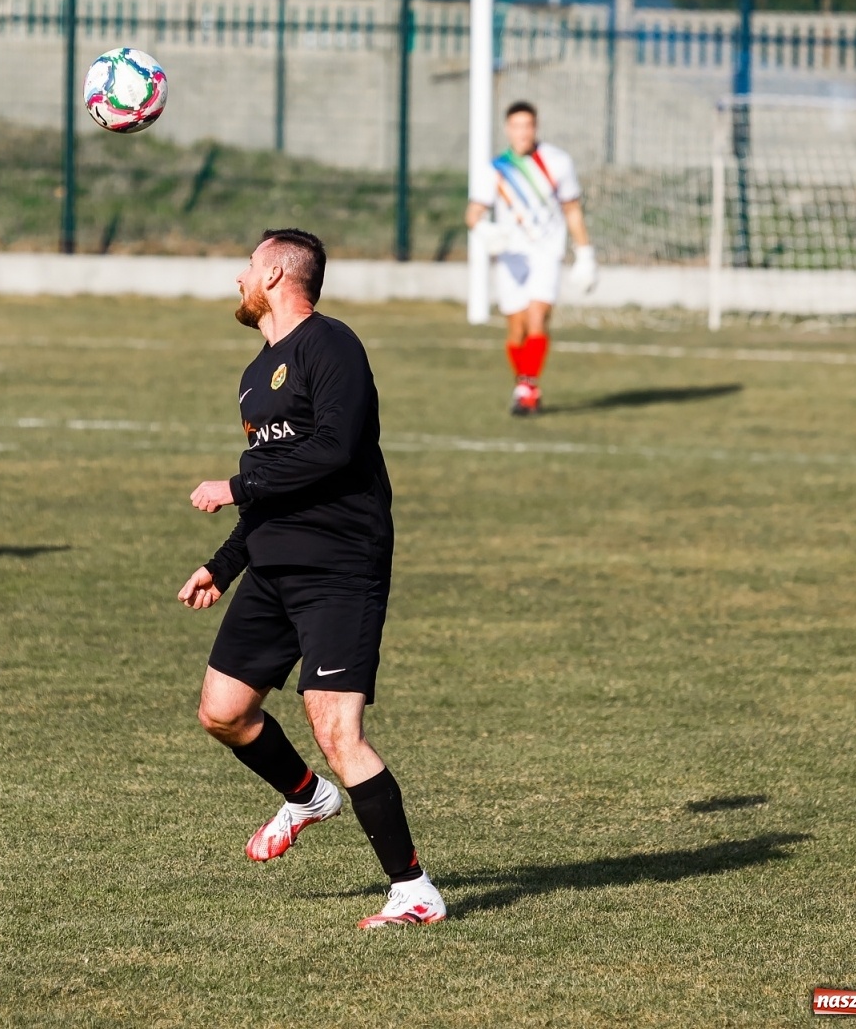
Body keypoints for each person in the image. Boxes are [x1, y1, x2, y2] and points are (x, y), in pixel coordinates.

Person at [177, 228, 445, 930]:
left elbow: (334, 449)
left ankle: (414, 888)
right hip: (271, 568)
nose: (237, 278)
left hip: (339, 566)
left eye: (246, 265)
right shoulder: (253, 374)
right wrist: (224, 562)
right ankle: (306, 797)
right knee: (223, 711)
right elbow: (275, 487)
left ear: (272, 273)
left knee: (336, 726)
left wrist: (236, 482)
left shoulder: (332, 346)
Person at [465, 101, 598, 416]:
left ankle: (527, 388)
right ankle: (525, 385)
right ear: (507, 129)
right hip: (511, 256)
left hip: (546, 253)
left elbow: (572, 209)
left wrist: (585, 253)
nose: (523, 132)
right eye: (516, 126)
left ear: (535, 127)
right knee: (517, 328)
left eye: (528, 126)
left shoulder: (557, 162)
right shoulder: (495, 168)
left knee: (538, 316)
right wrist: (485, 230)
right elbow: (473, 213)